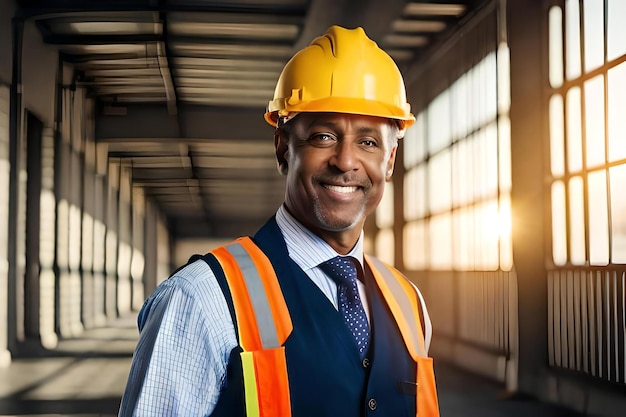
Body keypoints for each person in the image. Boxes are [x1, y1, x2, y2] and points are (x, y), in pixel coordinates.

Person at [119, 25, 439, 417]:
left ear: (389, 161)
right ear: (283, 148)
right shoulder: (201, 298)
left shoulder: (410, 305)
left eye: (369, 142)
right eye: (323, 136)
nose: (345, 161)